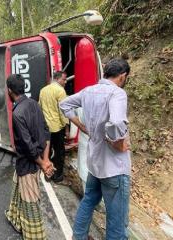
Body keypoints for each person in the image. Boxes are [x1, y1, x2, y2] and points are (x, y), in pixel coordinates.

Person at [60, 58, 131, 240]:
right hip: (114, 168)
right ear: (122, 76)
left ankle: (79, 236)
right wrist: (117, 142)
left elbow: (64, 104)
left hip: (95, 164)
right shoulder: (117, 93)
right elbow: (115, 123)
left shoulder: (88, 91)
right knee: (116, 220)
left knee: (88, 201)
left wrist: (81, 125)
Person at [5, 74, 55, 240]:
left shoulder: (17, 113)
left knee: (30, 201)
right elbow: (46, 131)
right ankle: (15, 219)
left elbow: (28, 146)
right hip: (35, 160)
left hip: (28, 164)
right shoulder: (34, 103)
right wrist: (46, 160)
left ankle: (35, 236)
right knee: (18, 189)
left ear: (10, 91)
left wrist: (42, 163)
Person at [38, 71, 69, 183]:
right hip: (57, 128)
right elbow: (63, 112)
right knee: (59, 152)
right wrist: (66, 128)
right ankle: (58, 176)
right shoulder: (60, 91)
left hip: (46, 128)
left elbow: (39, 108)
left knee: (47, 151)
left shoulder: (43, 90)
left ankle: (48, 173)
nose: (65, 82)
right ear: (57, 79)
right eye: (64, 79)